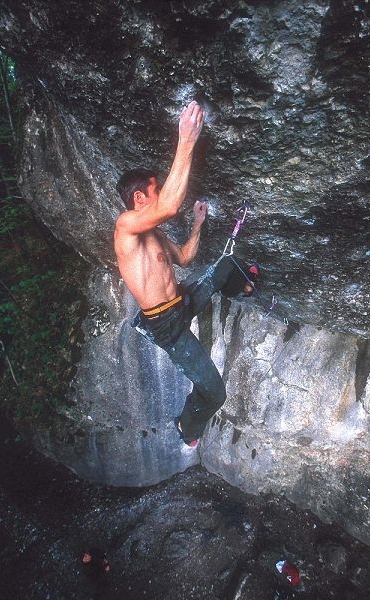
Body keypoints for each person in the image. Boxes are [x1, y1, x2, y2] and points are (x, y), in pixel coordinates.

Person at [114, 101, 259, 447]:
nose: (160, 191)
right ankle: (188, 428)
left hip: (182, 302)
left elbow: (185, 257)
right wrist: (187, 139)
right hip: (168, 326)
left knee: (225, 266)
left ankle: (246, 287)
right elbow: (169, 206)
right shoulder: (125, 228)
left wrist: (198, 223)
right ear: (140, 197)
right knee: (214, 393)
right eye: (155, 188)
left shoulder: (156, 235)